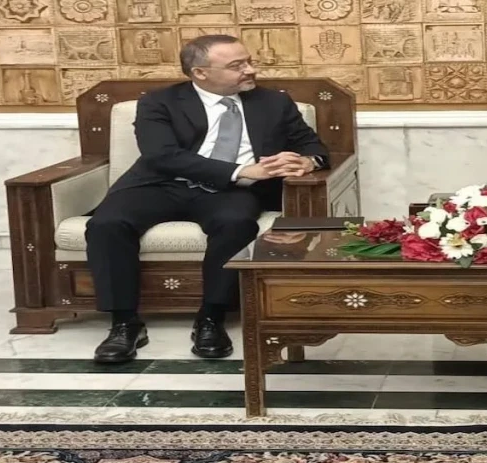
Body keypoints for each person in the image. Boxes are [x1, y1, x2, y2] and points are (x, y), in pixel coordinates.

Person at [87, 35, 330, 364]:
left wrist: (307, 162)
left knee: (236, 223)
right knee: (106, 223)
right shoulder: (159, 102)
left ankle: (211, 319)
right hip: (161, 184)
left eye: (248, 61)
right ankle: (124, 324)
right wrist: (241, 170)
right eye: (237, 66)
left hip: (232, 192)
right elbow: (161, 155)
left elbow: (315, 148)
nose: (251, 70)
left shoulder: (274, 102)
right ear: (200, 73)